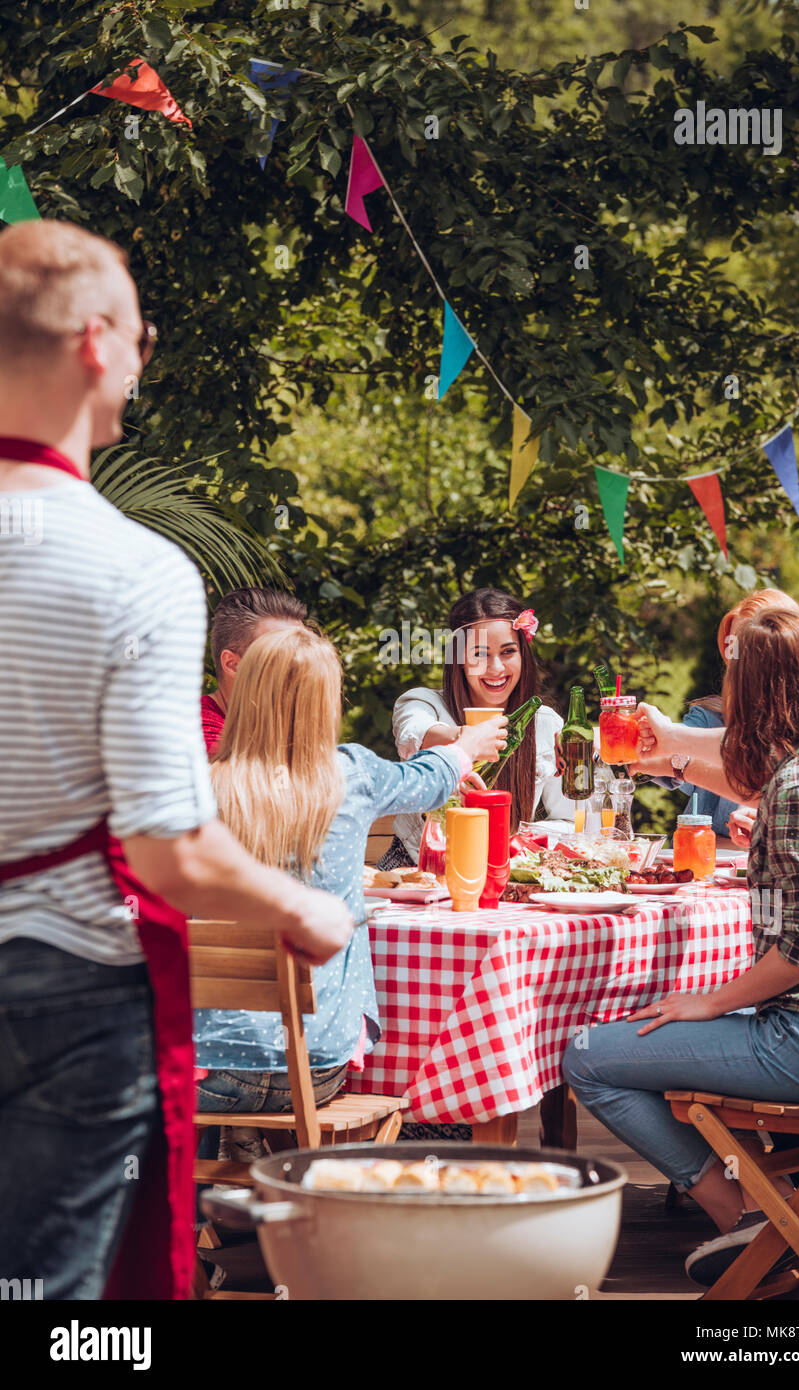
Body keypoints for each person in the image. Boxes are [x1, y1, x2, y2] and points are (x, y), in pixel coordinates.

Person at [0, 221, 352, 1301]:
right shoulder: (136, 569)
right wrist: (303, 915)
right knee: (54, 1295)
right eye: (143, 333)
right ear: (97, 344)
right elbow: (168, 851)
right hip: (63, 982)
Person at [563, 608, 799, 1286]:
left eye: (734, 681)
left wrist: (708, 1003)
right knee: (657, 1034)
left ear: (755, 695)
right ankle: (780, 1215)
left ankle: (753, 1219)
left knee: (587, 1057)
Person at [193, 625, 506, 1144]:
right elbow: (428, 781)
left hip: (210, 1077)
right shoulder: (351, 775)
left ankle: (207, 1191)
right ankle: (259, 1163)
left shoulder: (200, 787)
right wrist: (466, 746)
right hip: (317, 1070)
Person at [383, 587, 573, 867]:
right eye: (479, 654)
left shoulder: (544, 723)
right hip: (418, 872)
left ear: (523, 655)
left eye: (508, 652)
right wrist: (465, 740)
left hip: (508, 870)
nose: (496, 668)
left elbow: (570, 817)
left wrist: (520, 840)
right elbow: (414, 733)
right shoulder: (423, 703)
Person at [645, 589, 799, 842]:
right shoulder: (711, 717)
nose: (738, 661)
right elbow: (666, 753)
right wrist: (622, 740)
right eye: (733, 647)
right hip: (709, 865)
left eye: (753, 647)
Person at [201, 587, 307, 754]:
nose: (302, 662)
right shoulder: (201, 731)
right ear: (233, 665)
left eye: (305, 648)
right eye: (281, 652)